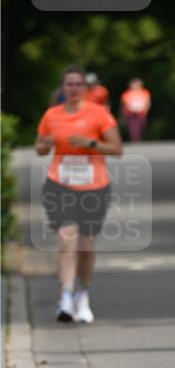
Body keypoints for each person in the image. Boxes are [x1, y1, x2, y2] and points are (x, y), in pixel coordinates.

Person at [35, 64, 122, 323]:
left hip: (94, 186)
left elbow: (117, 149)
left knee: (85, 247)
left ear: (85, 88)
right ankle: (65, 296)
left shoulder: (99, 115)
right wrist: (45, 144)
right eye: (69, 84)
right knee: (66, 238)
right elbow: (40, 148)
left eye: (78, 84)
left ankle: (82, 294)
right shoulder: (52, 115)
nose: (73, 88)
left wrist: (90, 143)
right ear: (63, 87)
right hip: (59, 184)